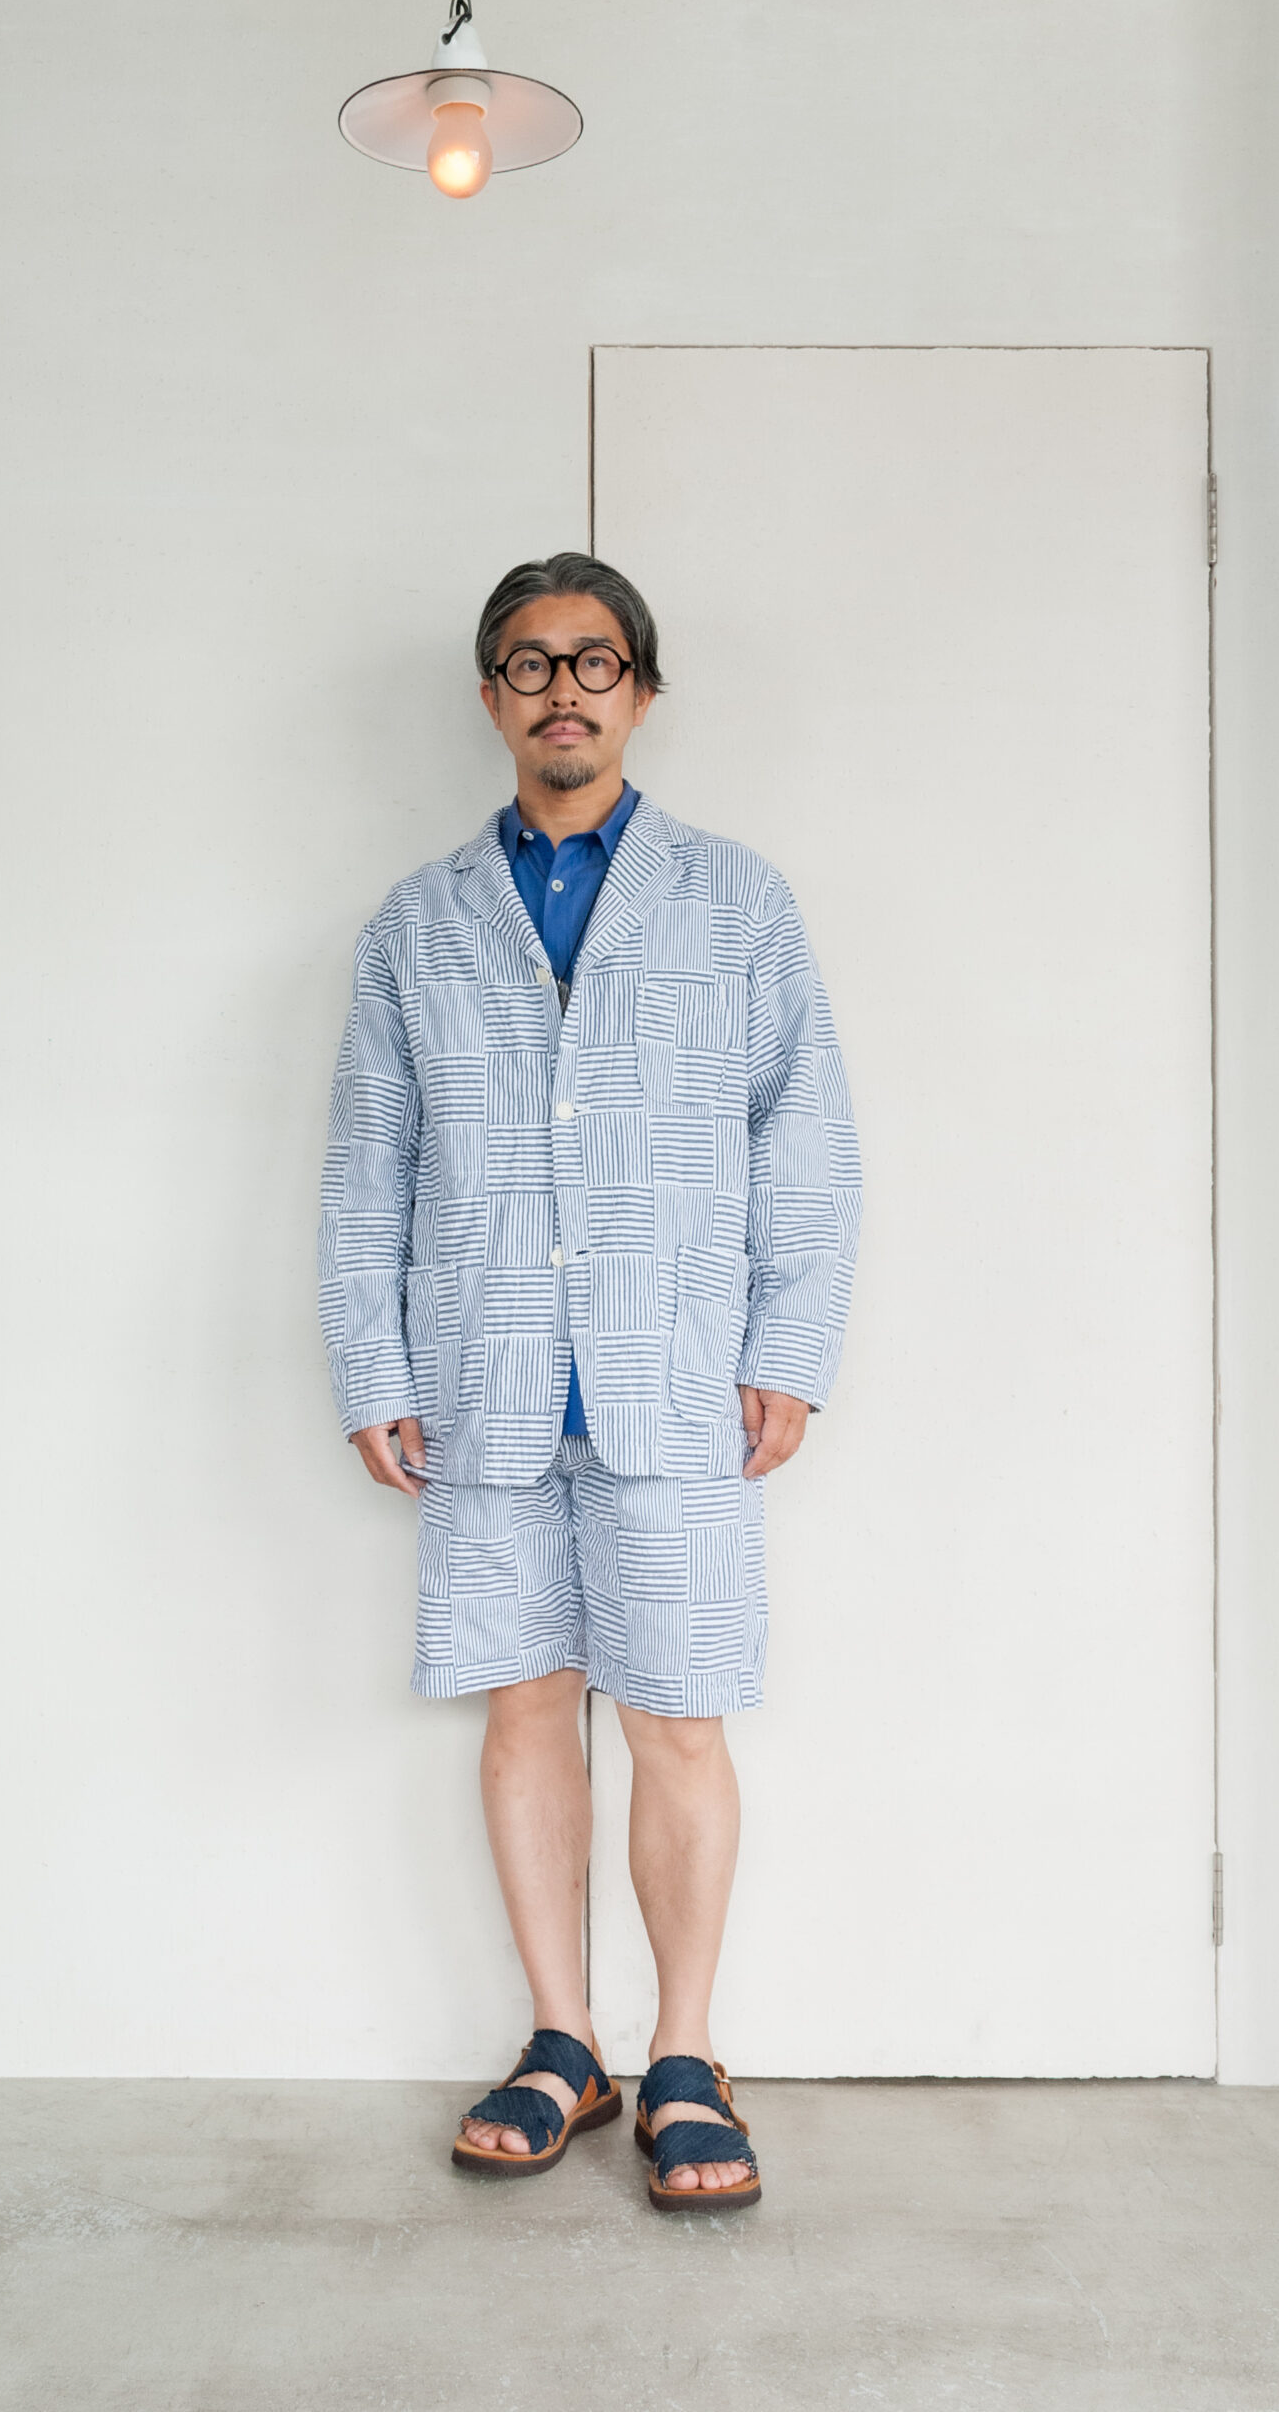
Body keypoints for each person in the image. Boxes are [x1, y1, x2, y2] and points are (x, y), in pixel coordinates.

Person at [318, 553, 860, 2212]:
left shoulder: (735, 902)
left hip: (676, 1379)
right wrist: (371, 1362)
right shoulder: (417, 922)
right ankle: (562, 2040)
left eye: (595, 660)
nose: (564, 688)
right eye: (531, 661)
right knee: (522, 1709)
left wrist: (786, 1351)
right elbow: (367, 1165)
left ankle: (685, 2053)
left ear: (640, 690)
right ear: (490, 695)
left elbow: (805, 1140)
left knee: (676, 1718)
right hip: (481, 1380)